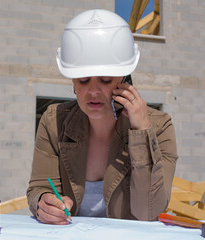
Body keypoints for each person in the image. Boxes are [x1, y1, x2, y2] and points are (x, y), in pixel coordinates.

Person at [27, 9, 177, 225]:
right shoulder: (53, 122)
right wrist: (43, 202)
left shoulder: (160, 128)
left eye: (106, 80)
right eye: (83, 80)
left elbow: (149, 211)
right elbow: (39, 187)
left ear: (125, 78)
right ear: (72, 82)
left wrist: (142, 133)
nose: (93, 91)